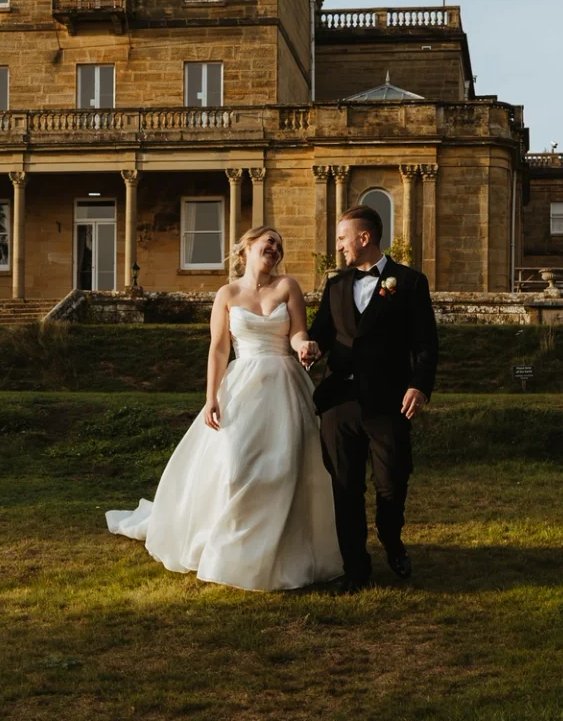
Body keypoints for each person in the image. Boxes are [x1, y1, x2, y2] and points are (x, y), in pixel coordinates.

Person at [104, 226, 343, 591]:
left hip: (284, 384)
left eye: (279, 245)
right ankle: (233, 548)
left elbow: (297, 332)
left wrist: (303, 345)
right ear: (247, 247)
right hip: (242, 385)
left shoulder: (288, 286)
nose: (275, 248)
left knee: (287, 466)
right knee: (236, 466)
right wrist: (211, 396)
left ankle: (283, 553)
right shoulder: (227, 293)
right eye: (269, 241)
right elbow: (218, 347)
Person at [308, 203, 439, 590]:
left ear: (364, 238)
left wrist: (419, 385)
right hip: (339, 402)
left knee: (392, 483)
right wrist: (309, 348)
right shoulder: (335, 286)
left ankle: (390, 537)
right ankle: (356, 570)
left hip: (388, 400)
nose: (338, 246)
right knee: (344, 488)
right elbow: (320, 334)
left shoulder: (410, 282)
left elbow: (425, 343)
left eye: (342, 238)